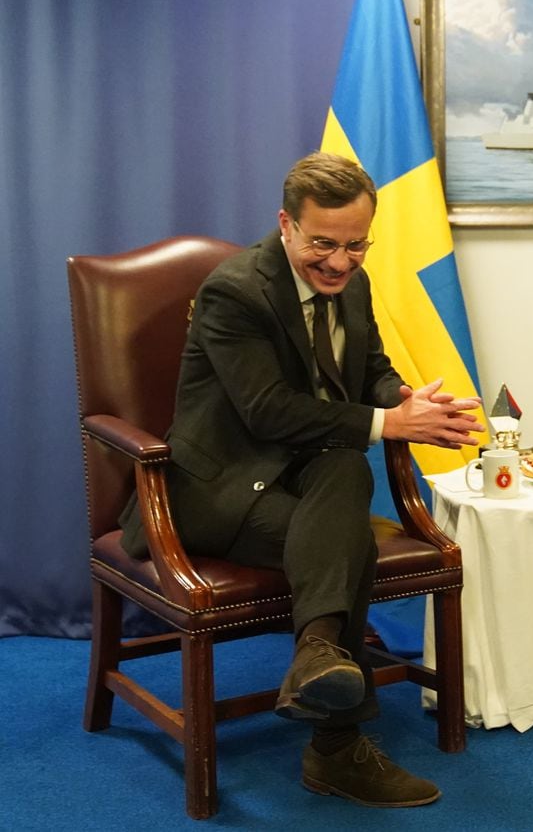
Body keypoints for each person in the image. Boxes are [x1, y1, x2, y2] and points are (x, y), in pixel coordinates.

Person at [119, 151, 485, 808]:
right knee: (344, 542)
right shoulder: (237, 292)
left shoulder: (356, 286)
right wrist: (388, 424)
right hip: (212, 490)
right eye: (322, 243)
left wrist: (403, 399)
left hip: (303, 477)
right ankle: (336, 750)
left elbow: (370, 368)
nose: (340, 262)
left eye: (355, 245)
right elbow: (268, 410)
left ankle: (317, 656)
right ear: (286, 225)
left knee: (344, 472)